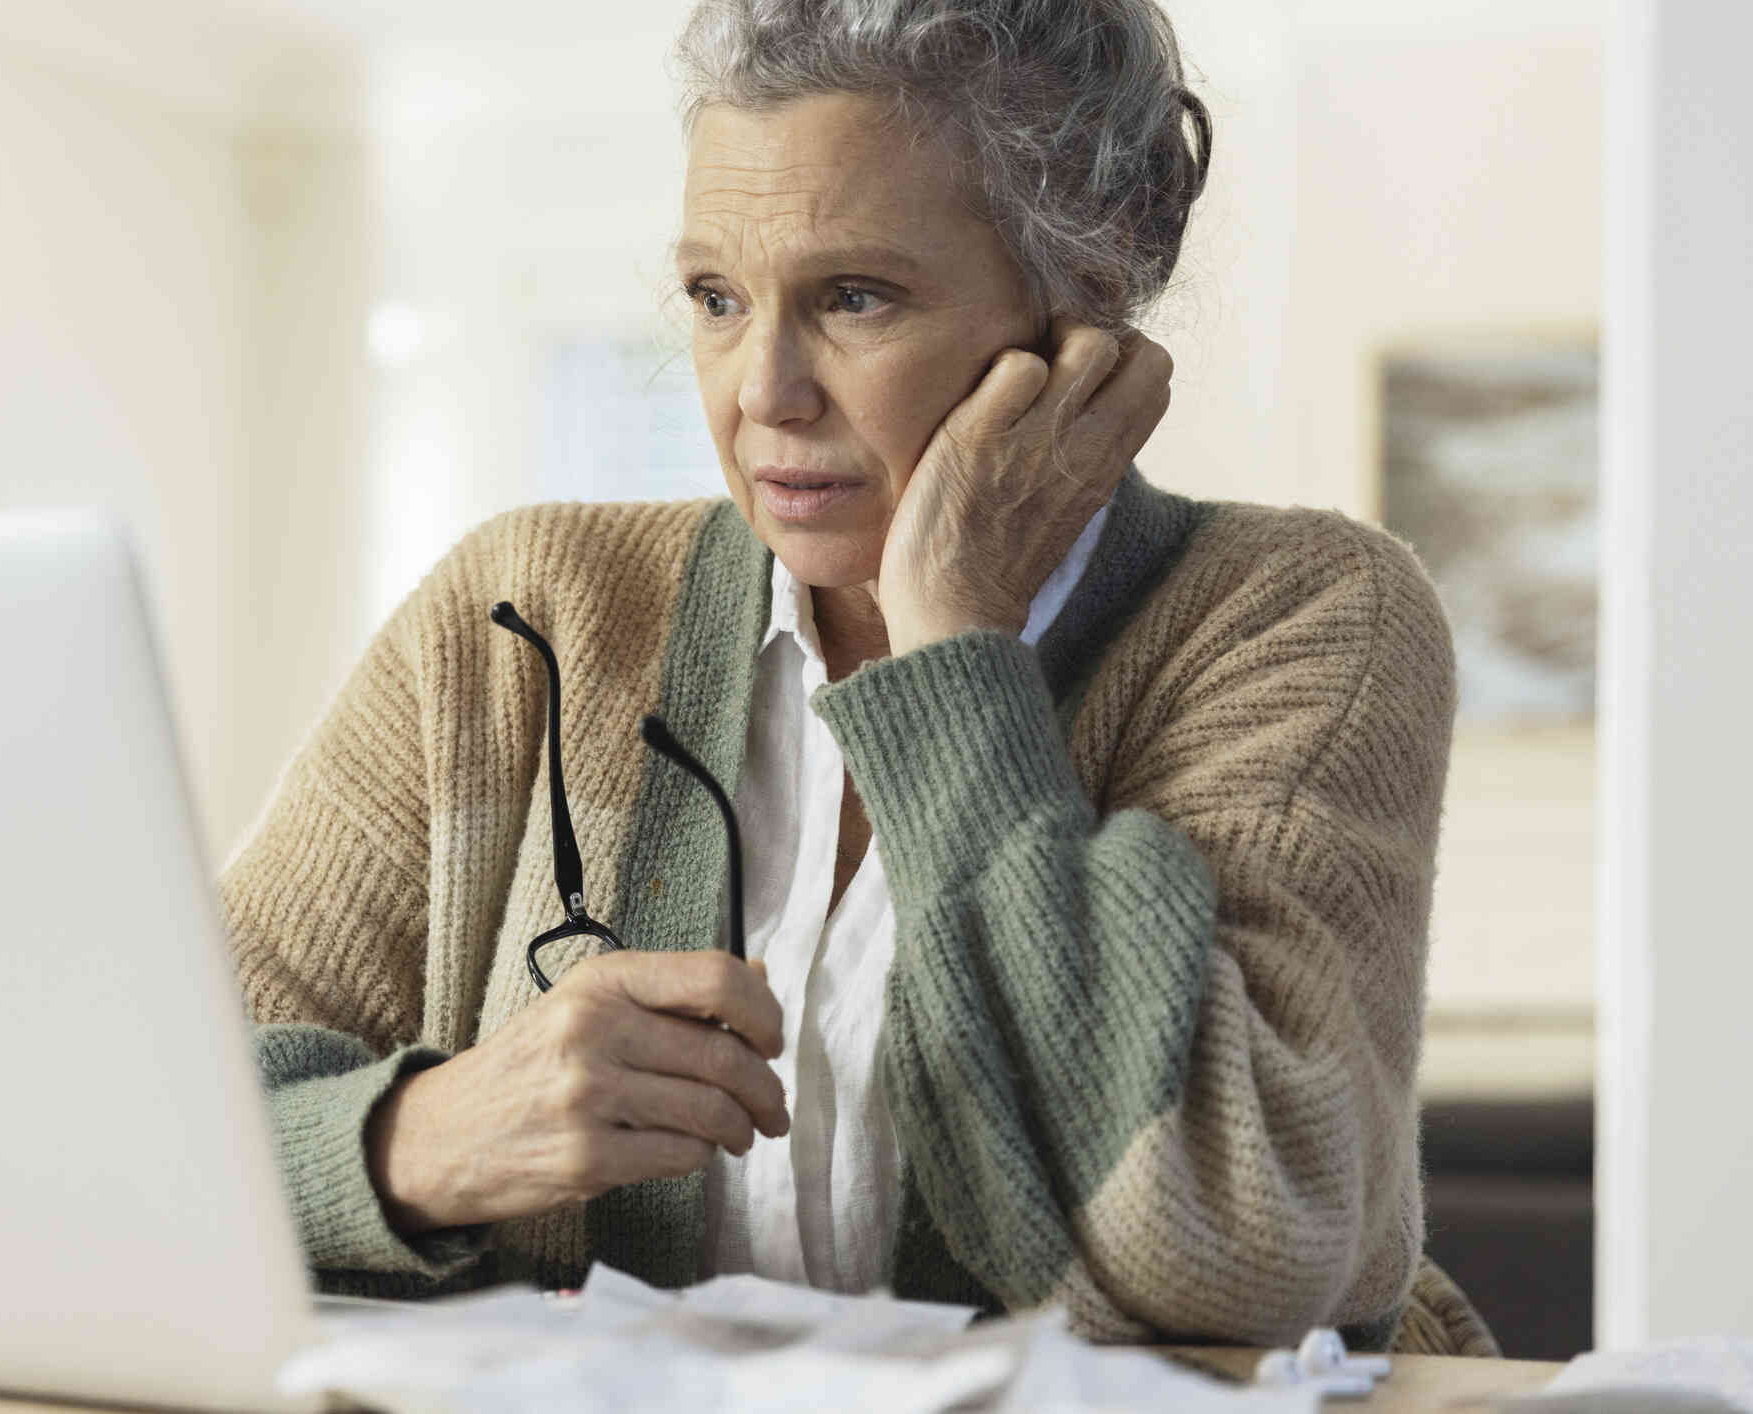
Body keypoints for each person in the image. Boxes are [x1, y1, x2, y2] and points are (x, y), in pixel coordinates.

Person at [223, 0, 1497, 1355]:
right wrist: (422, 1136)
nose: (762, 390)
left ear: (1083, 303)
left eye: (855, 298)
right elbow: (119, 1124)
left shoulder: (1301, 617)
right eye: (717, 298)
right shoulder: (519, 614)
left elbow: (1231, 1245)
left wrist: (955, 646)